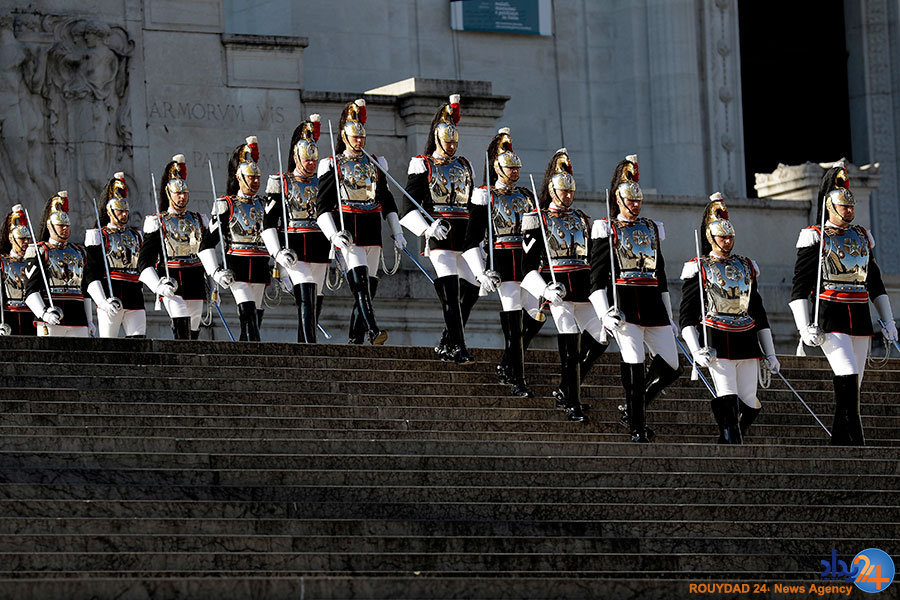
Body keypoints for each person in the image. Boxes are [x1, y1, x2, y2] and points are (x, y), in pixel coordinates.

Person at [788, 163, 895, 446]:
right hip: (830, 316)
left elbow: (875, 284)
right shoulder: (815, 237)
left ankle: (839, 444)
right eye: (843, 206)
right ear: (830, 206)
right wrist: (803, 327)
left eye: (851, 206)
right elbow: (799, 287)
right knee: (846, 374)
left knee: (854, 385)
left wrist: (889, 321)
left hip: (859, 316)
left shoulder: (862, 236)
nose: (849, 210)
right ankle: (859, 444)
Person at [589, 154, 681, 442]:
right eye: (630, 200)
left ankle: (633, 406)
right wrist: (604, 313)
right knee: (634, 364)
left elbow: (661, 278)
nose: (635, 205)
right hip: (625, 307)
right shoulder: (607, 229)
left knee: (673, 364)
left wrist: (670, 316)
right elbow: (596, 279)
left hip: (653, 307)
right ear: (619, 199)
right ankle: (637, 425)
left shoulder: (651, 229)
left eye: (638, 200)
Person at [680, 193, 778, 444]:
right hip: (716, 340)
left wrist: (771, 352)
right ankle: (732, 443)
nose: (727, 240)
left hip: (746, 340)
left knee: (750, 402)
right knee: (727, 396)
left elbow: (758, 313)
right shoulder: (698, 267)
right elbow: (687, 317)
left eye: (730, 236)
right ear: (710, 237)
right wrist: (696, 350)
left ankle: (730, 439)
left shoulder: (746, 266)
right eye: (722, 236)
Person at [521, 148, 604, 423]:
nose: (568, 196)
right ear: (552, 190)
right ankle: (572, 400)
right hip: (559, 292)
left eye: (571, 191)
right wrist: (544, 290)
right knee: (570, 343)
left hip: (583, 290)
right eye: (563, 191)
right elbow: (527, 266)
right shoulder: (537, 219)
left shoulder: (582, 218)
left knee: (602, 336)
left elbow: (590, 258)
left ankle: (568, 386)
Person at [401, 94, 480, 364]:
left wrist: (478, 239)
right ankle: (459, 345)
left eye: (454, 141)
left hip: (466, 235)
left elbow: (471, 205)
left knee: (471, 290)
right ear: (437, 137)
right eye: (447, 140)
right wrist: (427, 229)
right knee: (448, 291)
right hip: (440, 234)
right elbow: (408, 207)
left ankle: (448, 339)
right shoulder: (422, 164)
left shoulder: (465, 165)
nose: (451, 146)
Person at [317, 98, 401, 346]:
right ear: (344, 137)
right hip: (349, 232)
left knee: (368, 290)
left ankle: (356, 339)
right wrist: (333, 235)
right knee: (360, 285)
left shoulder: (376, 164)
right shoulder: (333, 164)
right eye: (355, 137)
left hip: (372, 231)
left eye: (362, 137)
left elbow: (387, 201)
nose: (359, 141)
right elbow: (322, 207)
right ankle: (374, 330)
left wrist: (396, 232)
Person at [462, 127, 534, 395]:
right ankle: (517, 376)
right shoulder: (485, 196)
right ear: (497, 167)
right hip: (502, 262)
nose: (514, 172)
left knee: (536, 315)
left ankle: (508, 360)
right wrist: (481, 272)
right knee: (513, 319)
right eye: (510, 168)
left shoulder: (526, 196)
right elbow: (471, 240)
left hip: (526, 263)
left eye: (517, 168)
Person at [262, 115, 330, 343]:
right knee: (306, 288)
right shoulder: (281, 181)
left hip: (320, 245)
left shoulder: (323, 182)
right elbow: (268, 222)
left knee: (316, 297)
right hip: (294, 246)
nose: (311, 163)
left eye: (314, 159)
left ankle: (304, 342)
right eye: (306, 158)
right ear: (296, 156)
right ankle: (310, 344)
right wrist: (277, 251)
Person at [199, 136, 270, 341]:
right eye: (251, 177)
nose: (256, 182)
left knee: (254, 319)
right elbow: (206, 244)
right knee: (248, 314)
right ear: (239, 177)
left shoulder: (264, 204)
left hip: (260, 266)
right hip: (238, 266)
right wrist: (215, 271)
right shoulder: (226, 205)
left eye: (258, 177)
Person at [138, 154, 209, 340]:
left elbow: (207, 250)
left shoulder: (198, 220)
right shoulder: (158, 222)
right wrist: (157, 285)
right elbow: (144, 261)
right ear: (169, 194)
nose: (182, 196)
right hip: (171, 279)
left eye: (184, 193)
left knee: (193, 329)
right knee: (181, 320)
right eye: (178, 193)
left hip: (195, 279)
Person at [84, 171, 147, 338]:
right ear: (110, 211)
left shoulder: (136, 235)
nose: (124, 214)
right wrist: (102, 301)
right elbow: (91, 273)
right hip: (110, 294)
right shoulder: (99, 236)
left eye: (126, 210)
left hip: (134, 295)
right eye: (120, 211)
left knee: (138, 340)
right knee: (109, 343)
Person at [24, 191, 92, 337]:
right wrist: (43, 313)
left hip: (78, 316)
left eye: (67, 225)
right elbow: (30, 290)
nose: (65, 228)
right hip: (52, 314)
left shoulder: (78, 251)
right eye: (60, 225)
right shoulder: (40, 251)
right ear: (50, 226)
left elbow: (84, 290)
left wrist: (89, 320)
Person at [0, 204, 36, 335]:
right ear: (11, 239)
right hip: (9, 315)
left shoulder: (33, 261)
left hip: (31, 316)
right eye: (22, 239)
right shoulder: (2, 261)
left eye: (28, 238)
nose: (26, 242)